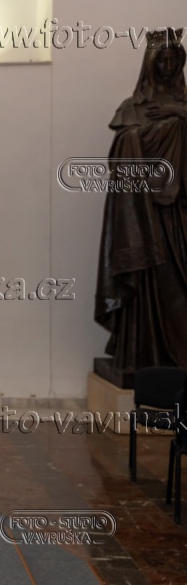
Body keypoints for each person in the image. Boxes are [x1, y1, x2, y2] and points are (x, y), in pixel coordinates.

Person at [95, 27, 187, 372]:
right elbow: (120, 155)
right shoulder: (131, 108)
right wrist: (146, 135)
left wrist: (180, 120)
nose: (168, 66)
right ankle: (141, 355)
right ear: (150, 64)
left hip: (179, 214)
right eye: (161, 60)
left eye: (174, 60)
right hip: (143, 213)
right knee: (147, 279)